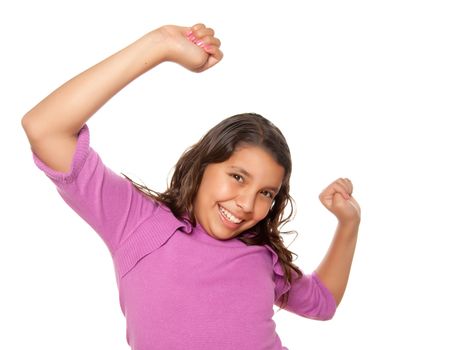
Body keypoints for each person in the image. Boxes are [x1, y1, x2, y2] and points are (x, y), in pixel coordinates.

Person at [21, 23, 361, 350]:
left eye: (266, 193)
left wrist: (348, 222)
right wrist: (160, 44)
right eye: (238, 177)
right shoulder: (137, 222)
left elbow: (322, 302)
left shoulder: (261, 256)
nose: (246, 203)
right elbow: (44, 128)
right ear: (202, 166)